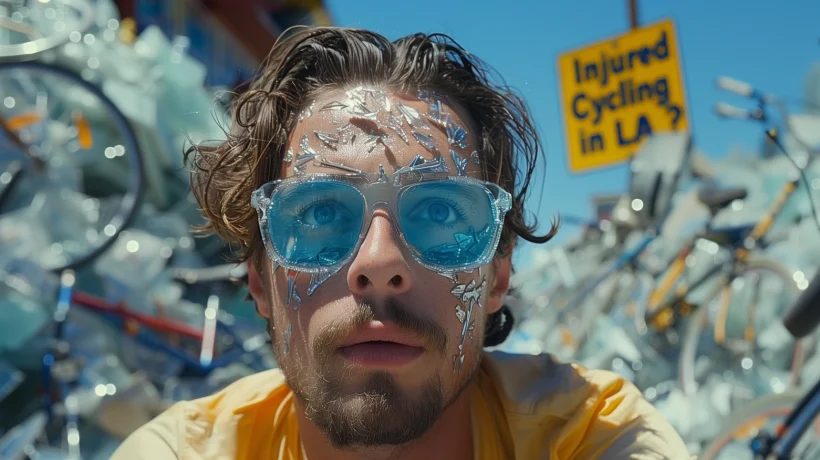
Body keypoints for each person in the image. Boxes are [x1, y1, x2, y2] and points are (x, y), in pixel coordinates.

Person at [113, 27, 691, 459]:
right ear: (261, 281)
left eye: (440, 211)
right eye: (317, 211)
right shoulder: (182, 451)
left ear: (498, 276)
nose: (380, 262)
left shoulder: (596, 433)